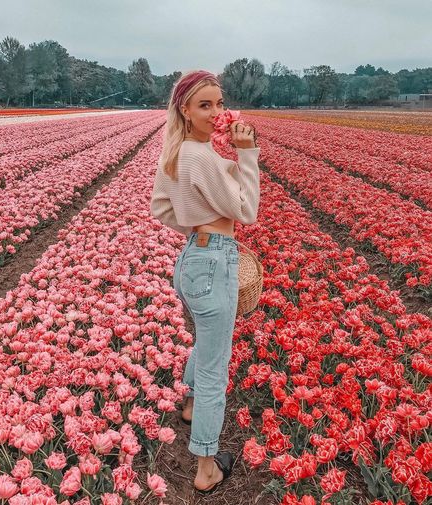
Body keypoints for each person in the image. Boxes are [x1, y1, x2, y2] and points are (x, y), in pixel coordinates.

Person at [150, 70, 260, 494]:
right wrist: (248, 154)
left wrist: (196, 226)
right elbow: (246, 211)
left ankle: (192, 407)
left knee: (204, 341)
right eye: (205, 105)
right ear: (185, 109)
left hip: (193, 260)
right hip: (215, 261)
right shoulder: (198, 155)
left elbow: (161, 207)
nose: (216, 112)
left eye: (219, 102)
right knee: (216, 366)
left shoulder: (182, 151)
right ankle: (206, 467)